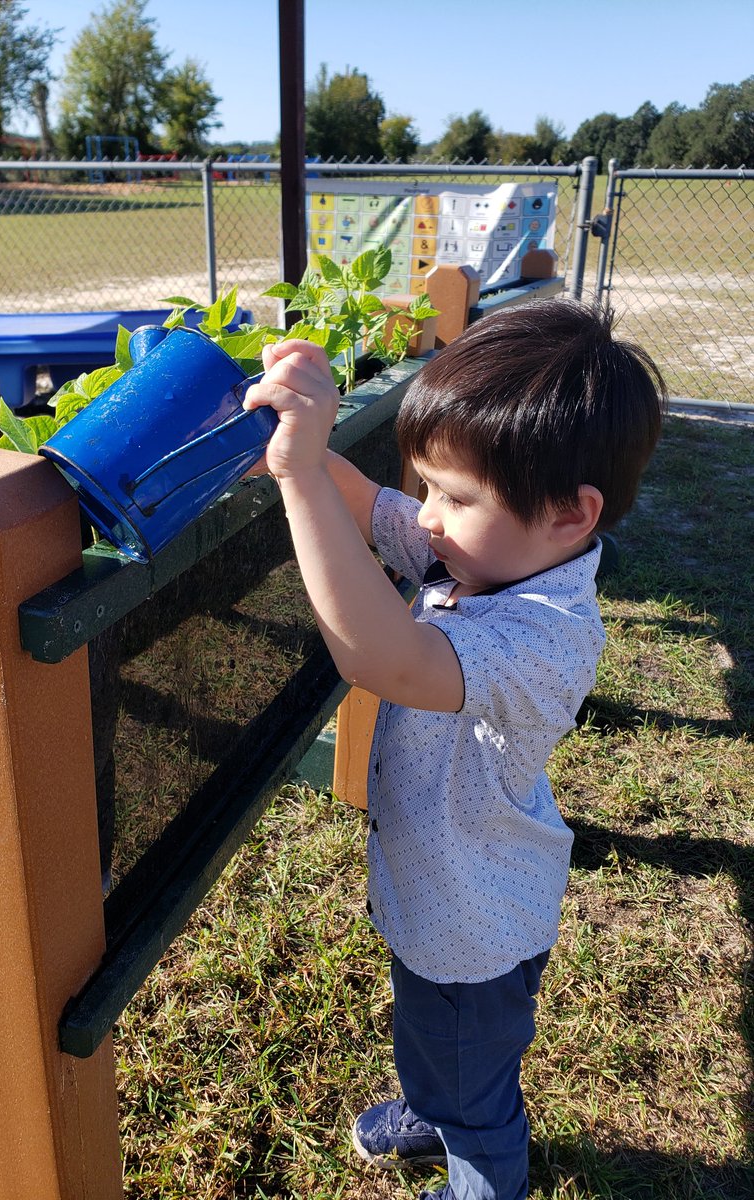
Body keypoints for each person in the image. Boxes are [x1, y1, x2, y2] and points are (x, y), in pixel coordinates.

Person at [242, 297, 666, 1200]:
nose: (426, 517)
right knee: (431, 1035)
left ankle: (476, 1161)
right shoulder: (480, 549)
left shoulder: (548, 634)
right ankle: (434, 1103)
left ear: (569, 514)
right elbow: (370, 508)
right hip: (444, 898)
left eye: (455, 496)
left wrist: (301, 477)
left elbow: (379, 656)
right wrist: (288, 422)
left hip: (474, 929)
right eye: (429, 486)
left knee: (478, 1089)